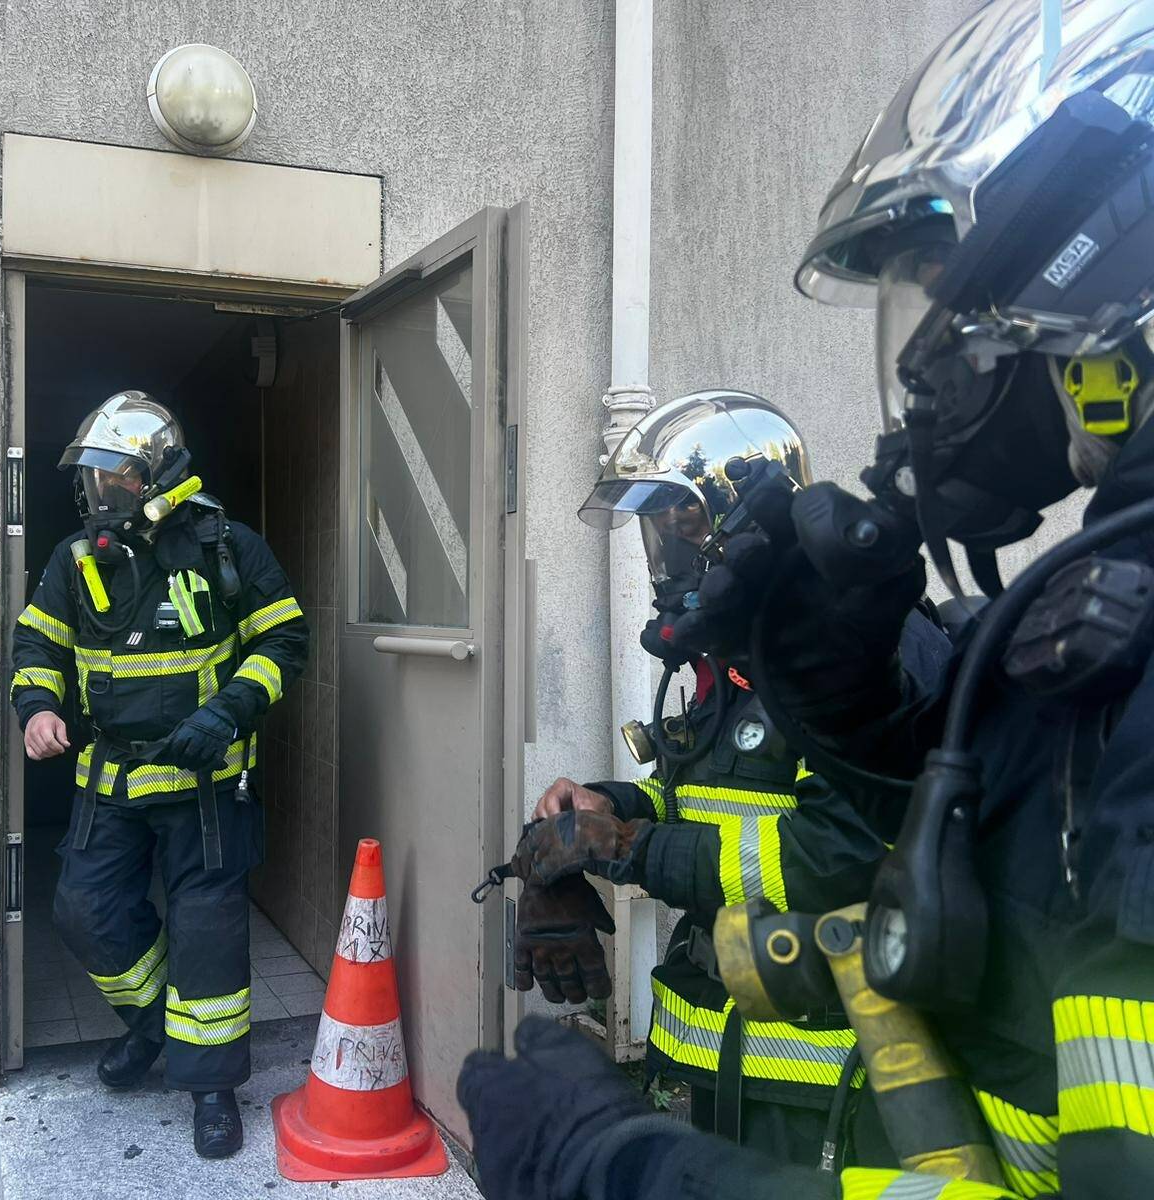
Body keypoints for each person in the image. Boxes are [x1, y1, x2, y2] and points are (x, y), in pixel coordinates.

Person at [460, 4, 1154, 1198]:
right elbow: (978, 864)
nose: (927, 368)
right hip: (724, 1061)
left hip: (811, 1092)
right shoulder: (1083, 631)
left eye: (945, 301)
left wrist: (618, 1170)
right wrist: (832, 708)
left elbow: (842, 861)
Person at [511, 392, 895, 1168]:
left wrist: (626, 847)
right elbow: (707, 796)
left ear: (743, 522)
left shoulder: (850, 655)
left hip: (827, 1083)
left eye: (682, 524)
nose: (667, 552)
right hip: (719, 1062)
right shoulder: (740, 662)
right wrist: (602, 808)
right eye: (658, 529)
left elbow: (838, 857)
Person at [11, 391, 307, 1159]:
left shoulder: (227, 547)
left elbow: (284, 642)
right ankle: (155, 1028)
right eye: (92, 476)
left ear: (155, 474)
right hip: (108, 783)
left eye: (112, 474)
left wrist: (228, 713)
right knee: (84, 913)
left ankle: (212, 1088)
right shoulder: (73, 560)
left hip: (206, 786)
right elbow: (36, 647)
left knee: (207, 934)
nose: (97, 490)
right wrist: (37, 708)